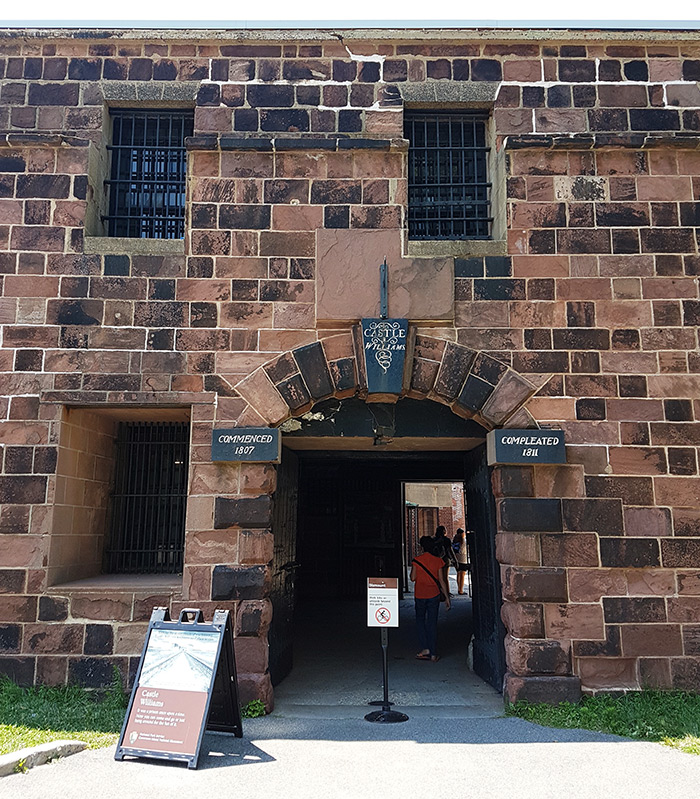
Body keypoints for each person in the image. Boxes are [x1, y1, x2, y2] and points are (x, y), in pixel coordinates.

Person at [409, 535, 450, 662]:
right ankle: (433, 653)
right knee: (432, 623)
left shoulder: (417, 560)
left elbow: (412, 578)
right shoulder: (438, 561)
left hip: (420, 595)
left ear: (422, 547)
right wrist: (447, 598)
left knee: (420, 621)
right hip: (434, 595)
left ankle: (425, 648)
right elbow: (442, 580)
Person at [452, 528, 470, 595]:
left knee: (458, 574)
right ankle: (461, 590)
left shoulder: (455, 539)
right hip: (463, 558)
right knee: (462, 575)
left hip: (456, 558)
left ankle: (459, 588)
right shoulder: (463, 540)